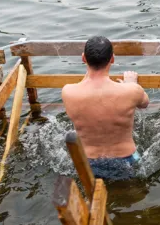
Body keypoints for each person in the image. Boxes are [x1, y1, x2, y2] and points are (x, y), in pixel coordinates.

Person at [62, 36, 150, 181]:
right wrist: (130, 84)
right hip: (127, 161)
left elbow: (87, 84)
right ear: (112, 59)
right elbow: (144, 104)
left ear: (83, 58)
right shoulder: (132, 91)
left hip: (87, 162)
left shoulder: (68, 92)